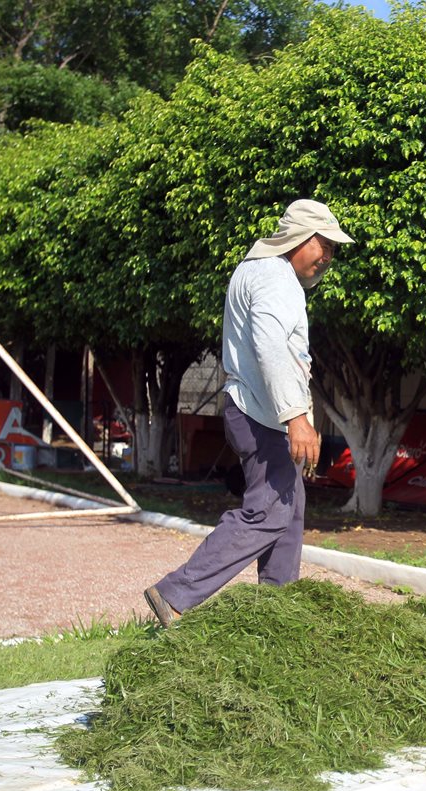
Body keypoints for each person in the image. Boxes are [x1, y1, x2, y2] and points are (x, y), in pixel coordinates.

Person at [144, 199, 354, 627]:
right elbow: (271, 349)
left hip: (261, 412)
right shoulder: (276, 280)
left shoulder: (256, 270)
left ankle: (278, 615)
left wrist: (301, 419)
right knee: (268, 513)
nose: (329, 257)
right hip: (263, 418)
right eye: (324, 245)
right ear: (299, 238)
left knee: (289, 513)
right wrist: (296, 417)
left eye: (334, 248)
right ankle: (175, 594)